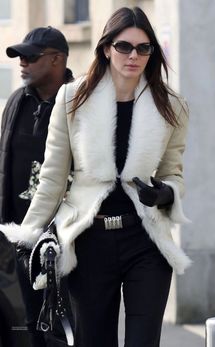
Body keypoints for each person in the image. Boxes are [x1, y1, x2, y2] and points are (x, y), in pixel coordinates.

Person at [1, 7, 192, 347]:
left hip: (145, 240)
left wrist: (165, 194)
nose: (133, 55)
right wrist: (27, 234)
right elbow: (52, 177)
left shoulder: (171, 105)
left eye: (143, 48)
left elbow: (173, 172)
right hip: (89, 242)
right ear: (106, 48)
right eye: (124, 46)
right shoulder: (72, 99)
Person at [0, 26, 74, 347]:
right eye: (19, 58)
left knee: (64, 329)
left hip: (64, 242)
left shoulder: (77, 102)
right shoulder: (17, 101)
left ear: (57, 60)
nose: (22, 64)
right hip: (18, 239)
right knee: (22, 329)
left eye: (30, 57)